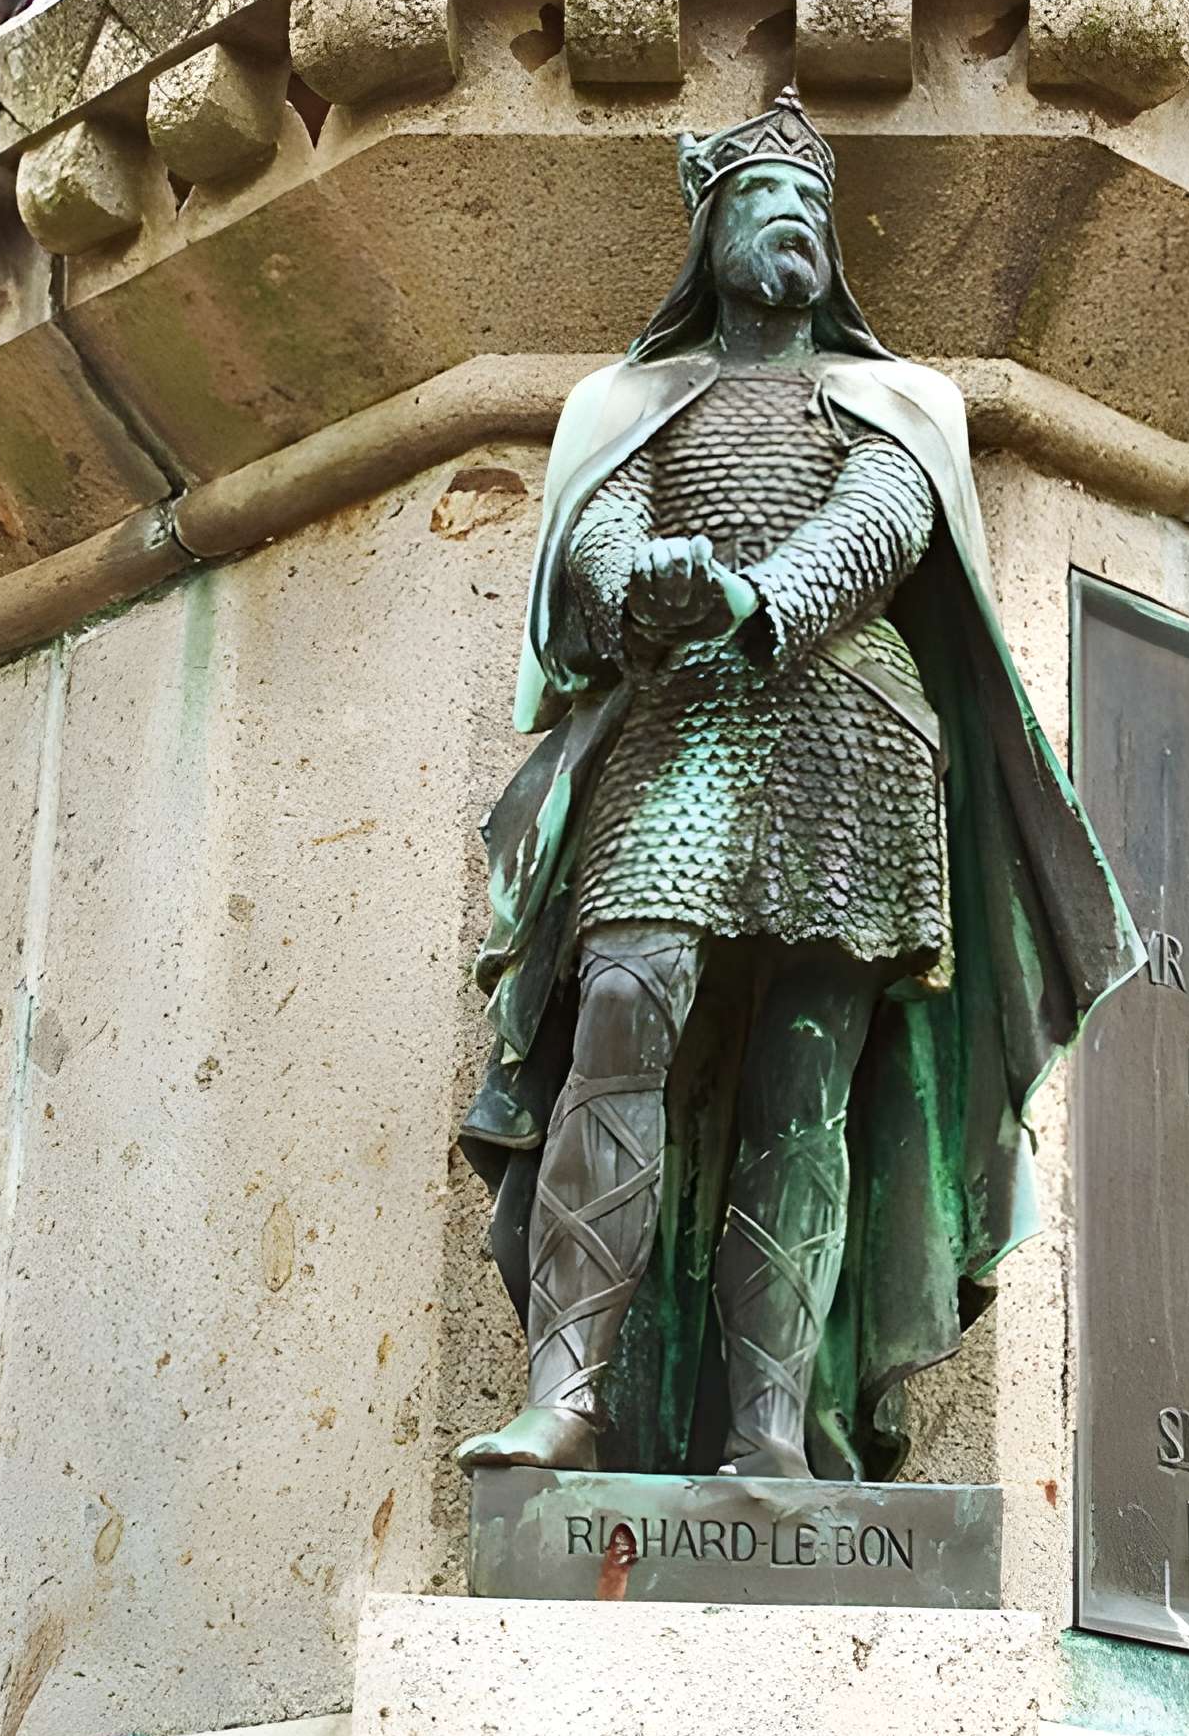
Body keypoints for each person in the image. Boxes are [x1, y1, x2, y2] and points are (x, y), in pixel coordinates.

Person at [457, 87, 1142, 1482]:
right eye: (769, 204)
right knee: (625, 1002)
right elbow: (598, 535)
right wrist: (641, 582)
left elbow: (884, 522)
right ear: (708, 233)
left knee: (805, 1076)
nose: (797, 229)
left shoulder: (897, 401)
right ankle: (570, 1390)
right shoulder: (631, 402)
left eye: (815, 213)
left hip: (853, 736)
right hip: (682, 728)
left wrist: (759, 594)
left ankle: (772, 1428)